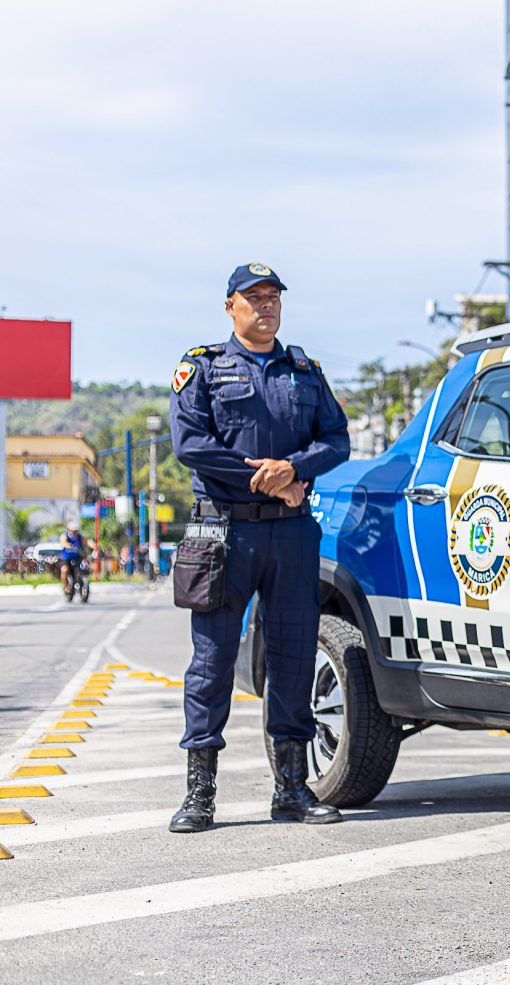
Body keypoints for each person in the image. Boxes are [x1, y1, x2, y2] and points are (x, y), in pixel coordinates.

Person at [167, 262, 350, 833]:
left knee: (293, 657)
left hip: (292, 534)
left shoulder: (305, 370)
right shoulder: (202, 368)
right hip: (224, 534)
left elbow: (336, 438)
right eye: (254, 298)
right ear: (231, 307)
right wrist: (266, 476)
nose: (266, 306)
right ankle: (200, 793)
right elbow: (191, 443)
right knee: (213, 661)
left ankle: (291, 789)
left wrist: (294, 468)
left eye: (273, 298)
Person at [58, 520, 86, 593]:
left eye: (75, 530)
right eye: (73, 530)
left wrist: (93, 545)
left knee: (82, 570)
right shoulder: (64, 536)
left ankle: (81, 583)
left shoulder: (80, 537)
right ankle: (66, 586)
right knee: (65, 570)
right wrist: (67, 545)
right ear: (69, 529)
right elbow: (62, 542)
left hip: (77, 558)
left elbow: (87, 542)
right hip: (66, 558)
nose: (74, 532)